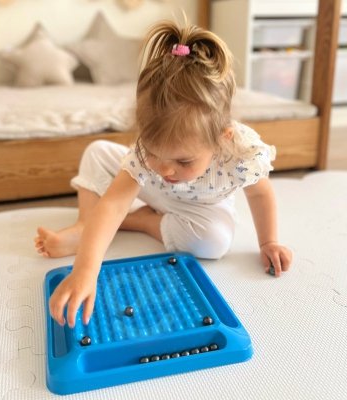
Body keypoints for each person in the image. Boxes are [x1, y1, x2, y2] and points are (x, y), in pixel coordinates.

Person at [34, 20, 292, 328]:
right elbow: (114, 203)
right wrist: (85, 271)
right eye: (154, 152)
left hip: (202, 207)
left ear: (221, 139)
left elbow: (260, 194)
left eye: (183, 160)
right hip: (155, 191)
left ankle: (143, 221)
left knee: (214, 243)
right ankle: (84, 226)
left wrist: (268, 242)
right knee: (97, 151)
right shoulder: (149, 159)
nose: (167, 169)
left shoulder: (240, 152)